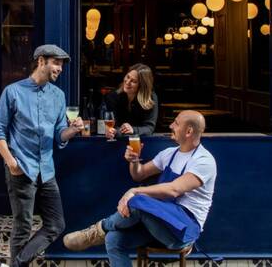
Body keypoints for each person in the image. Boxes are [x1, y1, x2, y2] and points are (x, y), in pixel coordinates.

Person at [63, 110, 216, 267]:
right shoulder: (169, 154)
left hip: (181, 231)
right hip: (159, 223)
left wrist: (134, 191)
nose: (171, 125)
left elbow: (174, 190)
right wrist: (134, 160)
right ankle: (101, 232)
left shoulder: (203, 161)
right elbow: (139, 175)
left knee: (138, 201)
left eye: (176, 123)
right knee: (113, 239)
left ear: (189, 131)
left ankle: (97, 230)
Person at [0, 44, 86, 267]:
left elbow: (59, 135)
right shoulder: (13, 92)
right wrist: (12, 163)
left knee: (56, 223)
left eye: (62, 64)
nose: (60, 68)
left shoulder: (58, 96)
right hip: (21, 168)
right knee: (22, 226)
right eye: (57, 62)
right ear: (41, 61)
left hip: (47, 170)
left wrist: (73, 130)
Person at [105, 63, 158, 138]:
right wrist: (113, 132)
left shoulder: (150, 97)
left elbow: (149, 128)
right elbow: (113, 126)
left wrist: (133, 130)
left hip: (143, 142)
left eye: (134, 81)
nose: (127, 82)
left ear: (141, 86)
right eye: (128, 77)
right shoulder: (113, 96)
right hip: (117, 143)